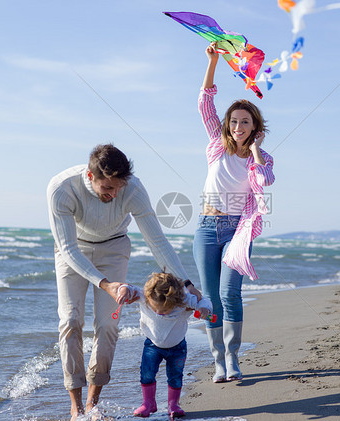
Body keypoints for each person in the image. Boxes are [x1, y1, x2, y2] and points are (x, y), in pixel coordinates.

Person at [46, 144, 202, 420]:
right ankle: (75, 405)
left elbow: (156, 240)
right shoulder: (62, 188)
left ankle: (93, 402)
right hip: (74, 251)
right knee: (70, 320)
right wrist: (104, 283)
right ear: (90, 176)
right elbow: (68, 248)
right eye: (108, 188)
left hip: (114, 247)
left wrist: (186, 283)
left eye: (118, 188)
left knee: (107, 324)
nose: (114, 194)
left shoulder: (133, 188)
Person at [193, 42, 275, 383]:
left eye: (245, 122)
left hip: (237, 231)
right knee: (211, 298)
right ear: (227, 126)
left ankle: (233, 356)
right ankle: (218, 361)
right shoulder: (216, 144)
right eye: (234, 122)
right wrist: (212, 62)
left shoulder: (262, 158)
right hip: (207, 227)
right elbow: (204, 103)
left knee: (230, 293)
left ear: (255, 127)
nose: (238, 126)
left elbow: (265, 181)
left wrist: (255, 152)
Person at [120, 272, 213, 419]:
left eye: (164, 310)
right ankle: (148, 403)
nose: (159, 312)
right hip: (152, 345)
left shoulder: (184, 299)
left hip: (177, 347)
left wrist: (205, 309)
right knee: (147, 374)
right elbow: (129, 288)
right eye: (156, 308)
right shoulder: (145, 296)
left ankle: (173, 405)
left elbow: (204, 302)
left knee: (175, 376)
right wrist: (124, 290)